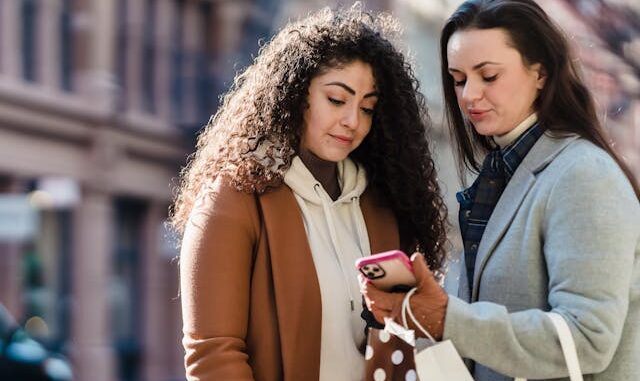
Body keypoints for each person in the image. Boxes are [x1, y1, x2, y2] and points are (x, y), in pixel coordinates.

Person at [362, 0, 640, 380]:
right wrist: (414, 314)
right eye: (458, 80)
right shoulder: (502, 175)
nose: (469, 96)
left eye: (488, 76)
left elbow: (589, 339)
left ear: (540, 73)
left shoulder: (584, 175)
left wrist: (448, 318)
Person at [170, 4, 448, 381]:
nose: (352, 121)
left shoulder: (382, 206)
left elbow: (400, 341)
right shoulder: (233, 200)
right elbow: (213, 356)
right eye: (337, 99)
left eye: (367, 108)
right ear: (297, 95)